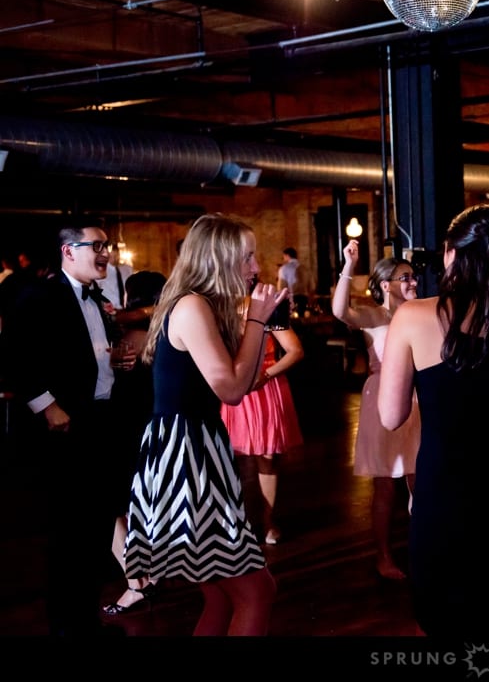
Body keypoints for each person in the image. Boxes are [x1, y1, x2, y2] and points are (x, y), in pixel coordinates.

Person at [378, 204, 489, 638]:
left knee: (441, 622)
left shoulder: (412, 317)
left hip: (444, 493)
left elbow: (391, 415)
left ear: (450, 254)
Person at [124, 213, 285, 636]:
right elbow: (231, 389)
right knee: (256, 592)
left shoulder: (201, 305)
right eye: (247, 257)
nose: (255, 267)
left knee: (221, 596)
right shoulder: (192, 305)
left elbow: (243, 382)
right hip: (187, 454)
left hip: (195, 447)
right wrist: (257, 320)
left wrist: (259, 321)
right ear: (219, 258)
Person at [4, 223, 127, 635]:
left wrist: (116, 362)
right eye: (97, 245)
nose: (106, 253)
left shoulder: (99, 298)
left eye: (107, 246)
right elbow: (13, 357)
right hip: (65, 427)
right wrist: (48, 406)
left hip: (102, 421)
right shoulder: (40, 296)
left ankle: (85, 619)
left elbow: (89, 357)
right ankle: (65, 624)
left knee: (97, 527)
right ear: (68, 251)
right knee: (69, 531)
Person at [332, 240, 420, 580]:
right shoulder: (374, 315)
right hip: (382, 397)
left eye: (413, 276)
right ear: (385, 286)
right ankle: (384, 556)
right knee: (385, 484)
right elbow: (340, 311)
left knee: (420, 480)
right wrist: (348, 266)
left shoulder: (418, 313)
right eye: (405, 277)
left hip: (416, 398)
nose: (413, 282)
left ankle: (423, 551)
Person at [102, 270, 168, 616]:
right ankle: (150, 575)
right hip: (156, 428)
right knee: (143, 506)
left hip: (122, 429)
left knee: (109, 505)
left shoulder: (125, 337)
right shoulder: (167, 334)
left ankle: (134, 584)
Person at [221, 281, 305, 547]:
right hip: (233, 384)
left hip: (263, 386)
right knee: (230, 460)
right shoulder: (217, 309)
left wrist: (265, 375)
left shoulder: (264, 307)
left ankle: (268, 520)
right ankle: (236, 524)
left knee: (266, 459)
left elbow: (295, 350)